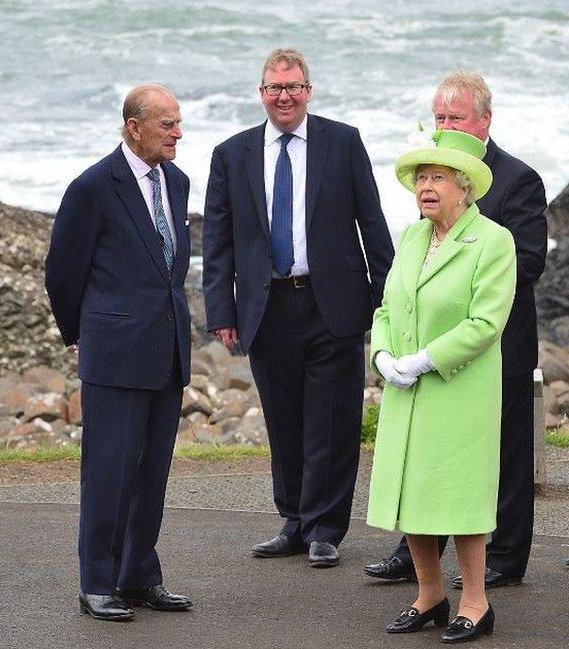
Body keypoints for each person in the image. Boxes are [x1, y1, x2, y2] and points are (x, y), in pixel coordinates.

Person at [202, 48, 393, 567]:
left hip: (334, 302)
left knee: (333, 420)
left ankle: (326, 528)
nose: (284, 97)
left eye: (293, 87)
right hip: (266, 307)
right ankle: (293, 521)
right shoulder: (231, 154)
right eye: (274, 88)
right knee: (285, 419)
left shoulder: (343, 141)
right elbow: (216, 240)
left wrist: (387, 301)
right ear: (261, 93)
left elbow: (371, 222)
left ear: (308, 90)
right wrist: (221, 310)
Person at [364, 72, 548, 589]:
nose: (445, 126)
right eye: (439, 118)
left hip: (499, 340)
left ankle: (506, 558)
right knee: (428, 448)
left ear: (484, 120)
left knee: (504, 451)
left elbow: (529, 261)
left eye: (456, 118)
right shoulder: (425, 194)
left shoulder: (520, 179)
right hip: (426, 338)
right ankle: (415, 551)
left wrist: (472, 247)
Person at [45, 84, 193, 621]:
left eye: (178, 123)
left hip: (167, 349)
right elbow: (63, 271)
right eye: (168, 124)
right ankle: (98, 582)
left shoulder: (176, 182)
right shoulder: (93, 187)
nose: (178, 133)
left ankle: (138, 576)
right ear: (134, 126)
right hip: (114, 353)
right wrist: (81, 333)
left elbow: (170, 268)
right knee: (109, 471)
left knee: (152, 472)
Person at [368, 129, 516, 643]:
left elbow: (485, 323)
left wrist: (427, 359)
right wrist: (383, 354)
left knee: (459, 497)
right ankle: (429, 594)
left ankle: (476, 603)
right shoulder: (412, 236)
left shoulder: (494, 241)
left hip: (458, 393)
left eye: (437, 178)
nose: (425, 187)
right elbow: (387, 306)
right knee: (414, 494)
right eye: (421, 178)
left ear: (464, 188)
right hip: (407, 392)